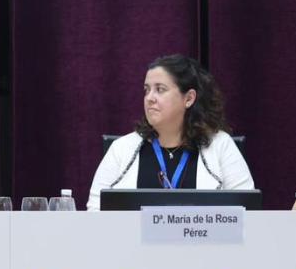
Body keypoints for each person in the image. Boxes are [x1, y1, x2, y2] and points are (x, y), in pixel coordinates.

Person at [87, 55, 253, 211]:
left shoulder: (220, 146)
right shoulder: (122, 148)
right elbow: (95, 212)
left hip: (202, 241)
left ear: (188, 98)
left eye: (160, 89)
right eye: (147, 90)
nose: (149, 98)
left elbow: (247, 213)